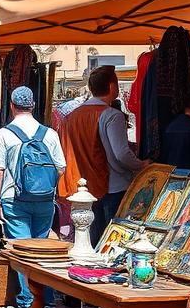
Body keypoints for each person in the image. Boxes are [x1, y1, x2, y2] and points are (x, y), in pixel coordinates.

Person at [0, 87, 66, 308]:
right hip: (44, 201)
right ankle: (47, 299)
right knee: (43, 249)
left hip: (14, 199)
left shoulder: (5, 134)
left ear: (12, 106)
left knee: (22, 250)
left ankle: (29, 301)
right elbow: (60, 168)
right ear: (33, 105)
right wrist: (43, 185)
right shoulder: (49, 134)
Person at [57, 65, 144, 246]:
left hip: (82, 187)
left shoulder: (72, 116)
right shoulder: (111, 115)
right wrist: (141, 165)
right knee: (110, 242)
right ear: (112, 87)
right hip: (110, 186)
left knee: (89, 239)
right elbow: (121, 154)